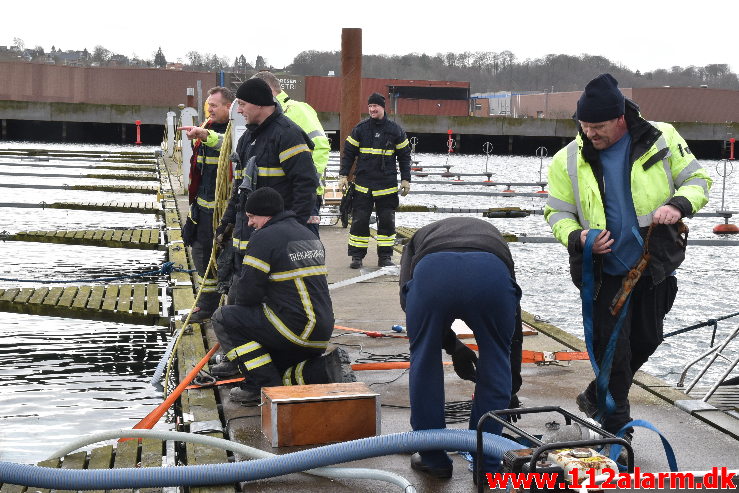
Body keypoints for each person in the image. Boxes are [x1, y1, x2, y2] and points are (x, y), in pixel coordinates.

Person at [544, 74, 711, 439]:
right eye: (584, 126)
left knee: (647, 340)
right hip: (601, 273)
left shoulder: (662, 138)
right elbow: (556, 213)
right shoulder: (566, 160)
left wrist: (679, 205)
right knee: (614, 353)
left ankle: (594, 395)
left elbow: (699, 181)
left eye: (598, 126)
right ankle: (618, 431)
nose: (590, 133)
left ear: (621, 118)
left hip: (653, 266)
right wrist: (577, 236)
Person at [399, 217, 523, 479]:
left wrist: (450, 345)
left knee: (424, 358)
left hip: (432, 274)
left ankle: (433, 459)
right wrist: (510, 387)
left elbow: (409, 306)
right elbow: (512, 336)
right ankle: (487, 463)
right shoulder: (494, 237)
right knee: (496, 357)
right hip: (489, 275)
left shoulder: (417, 240)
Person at [211, 187, 352, 405]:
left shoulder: (264, 238)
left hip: (293, 330)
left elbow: (247, 294)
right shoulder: (306, 233)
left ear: (265, 214)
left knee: (225, 318)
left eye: (251, 217)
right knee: (279, 369)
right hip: (320, 332)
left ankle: (258, 385)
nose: (249, 223)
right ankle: (322, 371)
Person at [178, 86, 235, 323]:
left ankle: (232, 308)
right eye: (207, 105)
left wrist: (203, 135)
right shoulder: (207, 127)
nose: (209, 109)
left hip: (226, 211)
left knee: (229, 259)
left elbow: (228, 145)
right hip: (202, 208)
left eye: (214, 105)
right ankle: (206, 305)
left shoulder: (236, 131)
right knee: (201, 256)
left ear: (229, 107)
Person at [251, 71, 330, 237]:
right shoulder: (265, 116)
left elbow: (321, 146)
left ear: (266, 90)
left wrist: (304, 182)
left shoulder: (297, 110)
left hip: (301, 197)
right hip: (276, 197)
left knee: (302, 248)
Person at [339, 93, 412, 269]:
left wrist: (405, 179)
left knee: (387, 222)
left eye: (375, 106)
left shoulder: (395, 130)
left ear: (382, 107)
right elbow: (348, 153)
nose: (372, 109)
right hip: (364, 185)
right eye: (370, 106)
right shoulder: (360, 129)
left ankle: (385, 257)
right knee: (359, 221)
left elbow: (404, 156)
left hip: (386, 186)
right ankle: (357, 257)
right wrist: (343, 175)